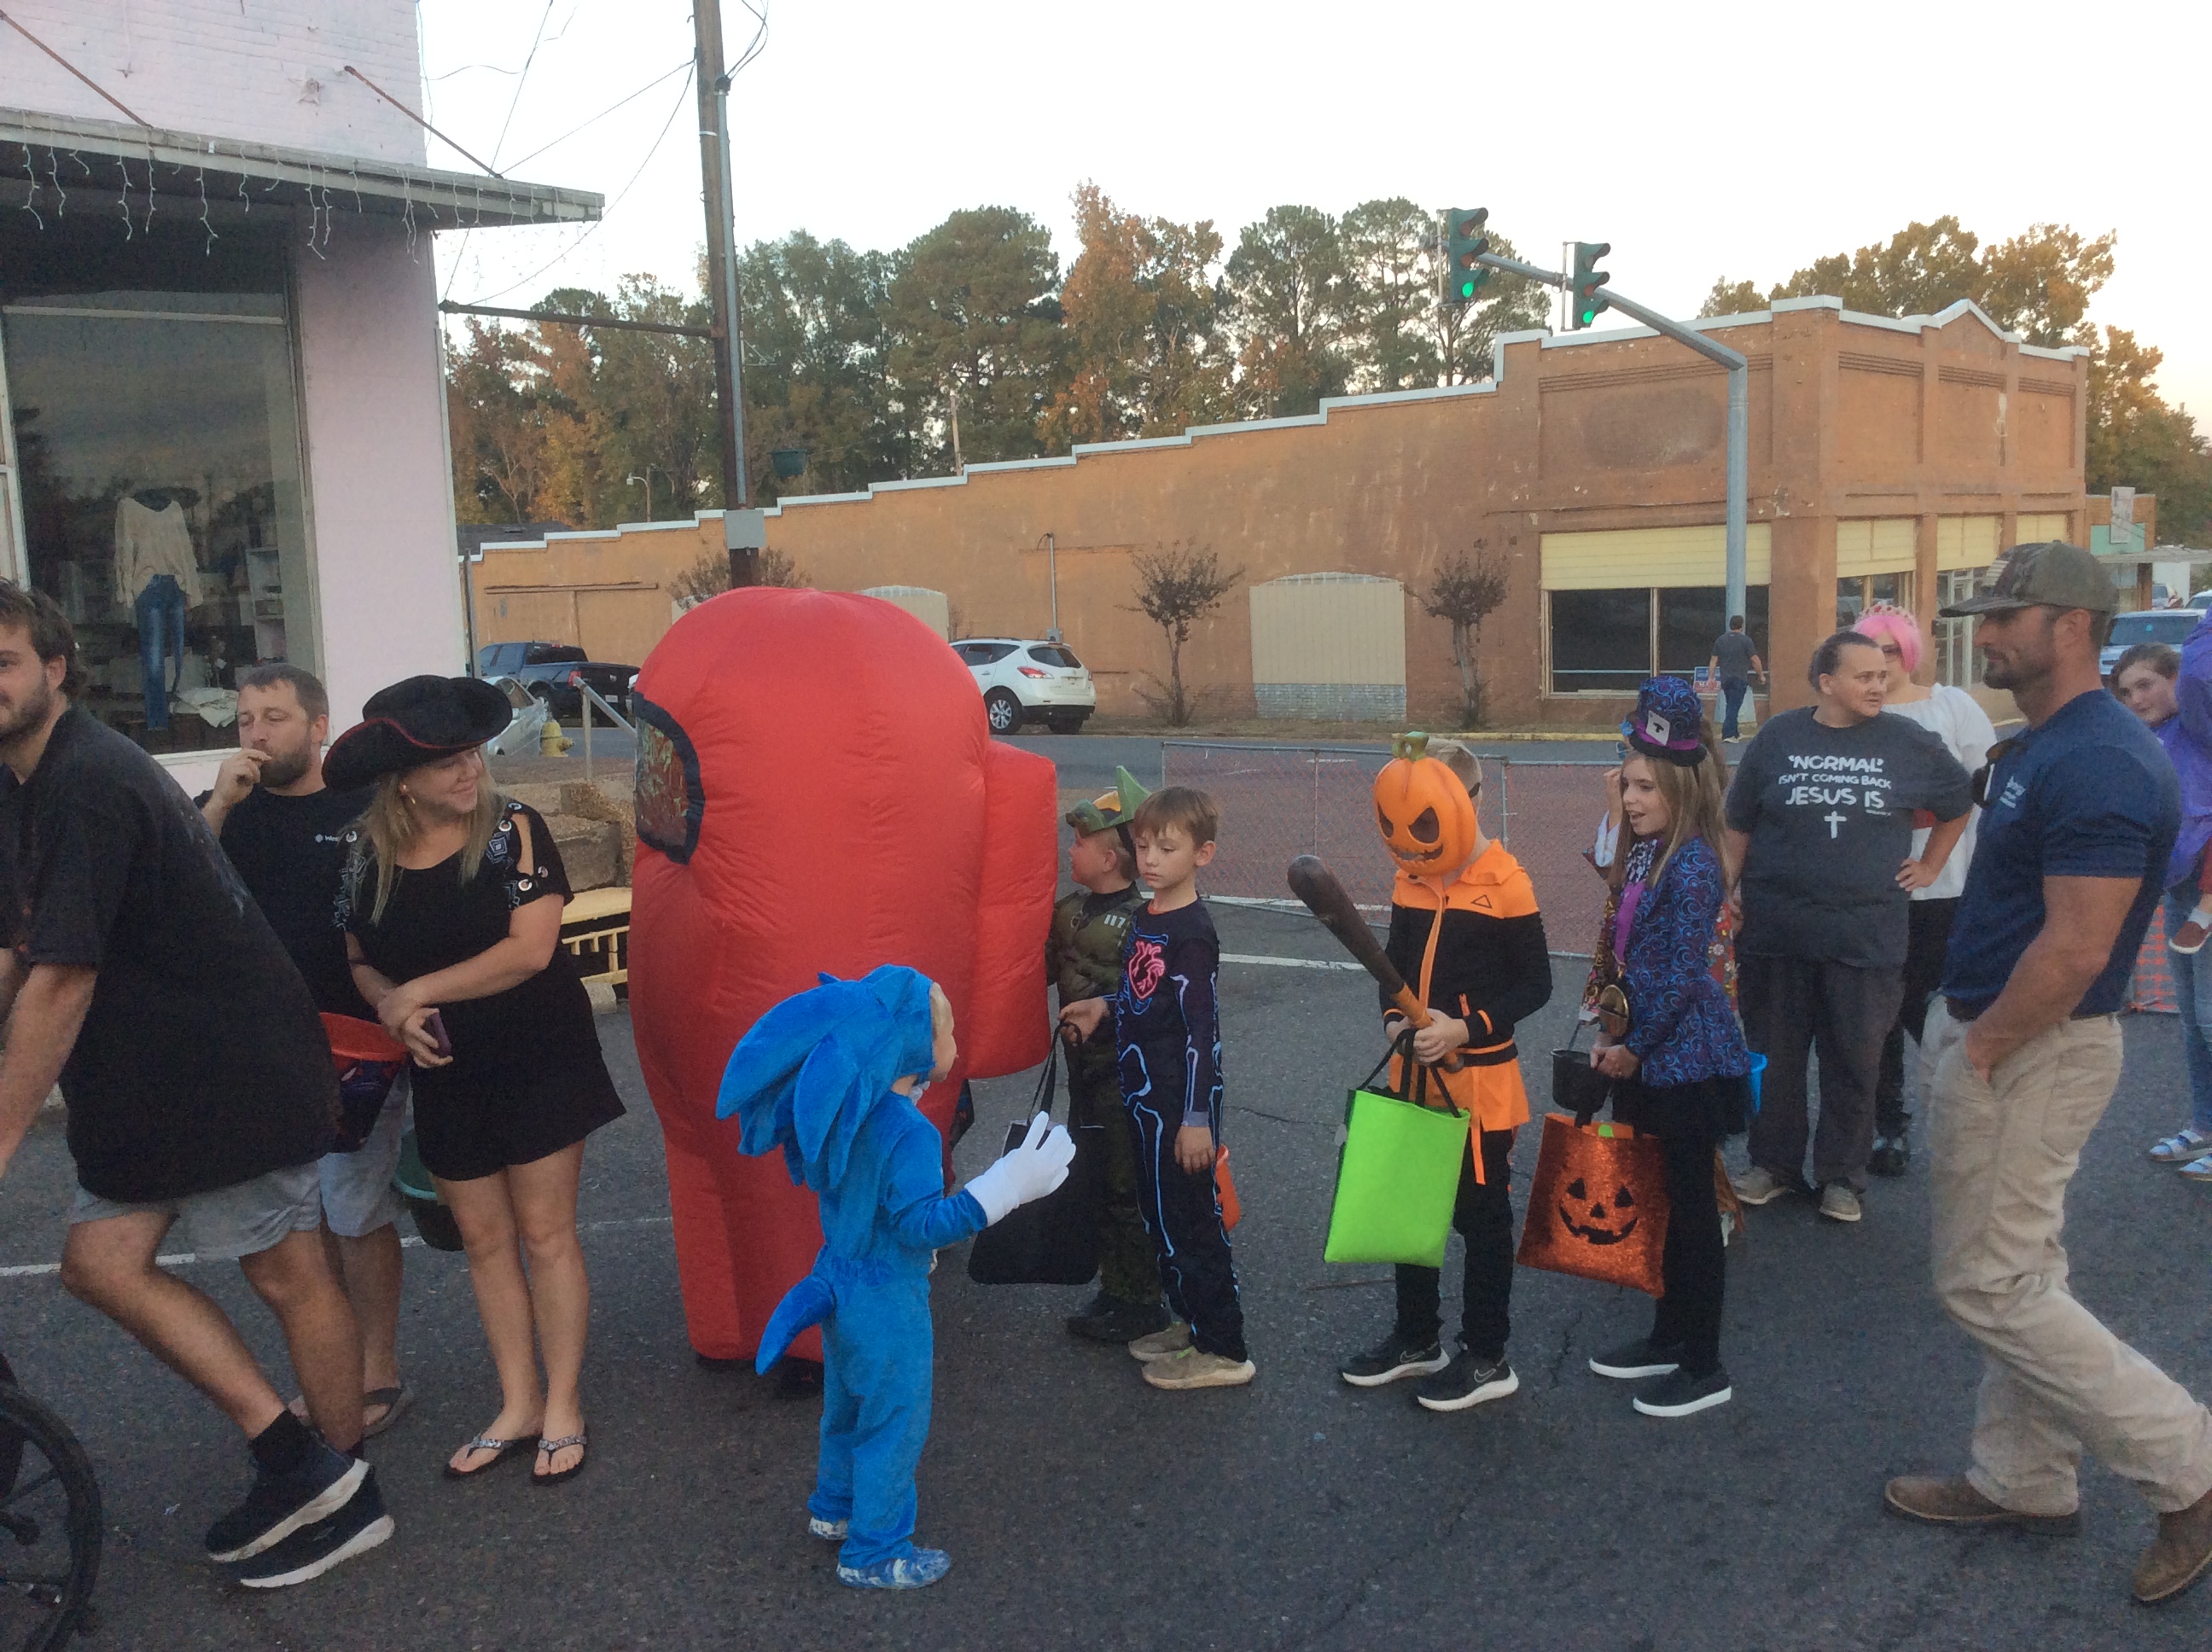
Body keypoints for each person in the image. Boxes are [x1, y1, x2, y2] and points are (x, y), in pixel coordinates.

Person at [0, 584, 390, 1588]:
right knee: (100, 1263)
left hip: (227, 1066)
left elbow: (61, 976)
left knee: (287, 1272)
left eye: (2, 662)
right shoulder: (18, 782)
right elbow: (15, 947)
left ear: (55, 668)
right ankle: (298, 1461)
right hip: (146, 1080)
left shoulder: (86, 779)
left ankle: (344, 1489)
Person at [1883, 541, 2212, 1608]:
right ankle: (2024, 1477)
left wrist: (1979, 1050)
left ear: (2072, 626)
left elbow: (2076, 949)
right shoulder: (2046, 745)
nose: (1982, 634)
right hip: (1999, 1028)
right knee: (2023, 1267)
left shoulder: (2102, 761)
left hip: (2033, 1044)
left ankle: (2190, 1464)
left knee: (1989, 1283)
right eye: (1981, 616)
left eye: (2003, 617)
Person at [326, 675, 626, 1487]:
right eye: (447, 761)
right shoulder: (362, 852)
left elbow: (531, 950)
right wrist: (389, 1005)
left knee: (546, 1234)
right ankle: (518, 1403)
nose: (470, 770)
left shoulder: (513, 829)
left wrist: (415, 992)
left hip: (538, 1053)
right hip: (445, 1067)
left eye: (471, 753)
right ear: (402, 780)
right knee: (485, 1243)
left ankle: (563, 1404)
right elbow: (356, 956)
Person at [719, 969, 1074, 1589]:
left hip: (835, 1282)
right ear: (916, 1045)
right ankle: (876, 1551)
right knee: (894, 1419)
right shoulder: (910, 1133)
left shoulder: (851, 1113)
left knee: (846, 1406)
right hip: (887, 1299)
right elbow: (919, 1226)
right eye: (947, 1030)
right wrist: (1005, 1188)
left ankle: (835, 1508)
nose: (954, 1040)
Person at [200, 665, 411, 1439]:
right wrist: (220, 802)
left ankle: (377, 1371)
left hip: (359, 1040)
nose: (258, 734)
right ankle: (335, 1368)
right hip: (268, 1045)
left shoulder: (363, 805)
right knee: (305, 1215)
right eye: (247, 719)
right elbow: (171, 880)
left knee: (355, 1210)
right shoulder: (232, 809)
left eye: (276, 717)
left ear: (319, 726)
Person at [1725, 629, 1974, 1224]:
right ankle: (1773, 1165)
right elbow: (1739, 821)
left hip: (1866, 937)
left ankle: (1842, 1177)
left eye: (1882, 675)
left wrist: (1931, 865)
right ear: (1827, 682)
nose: (1878, 685)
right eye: (1864, 676)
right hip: (1777, 933)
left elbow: (1959, 800)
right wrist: (1724, 889)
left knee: (1855, 1062)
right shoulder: (1778, 737)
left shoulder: (1907, 741)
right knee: (1774, 1057)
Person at [1338, 738, 1551, 1413]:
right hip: (1414, 1080)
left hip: (1480, 1086)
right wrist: (1393, 1023)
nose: (1412, 841)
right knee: (1412, 1210)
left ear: (1472, 802)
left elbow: (1536, 985)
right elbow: (1392, 967)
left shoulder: (1508, 883)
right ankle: (1417, 1338)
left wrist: (1465, 1028)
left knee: (1480, 1219)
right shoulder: (1410, 879)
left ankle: (1488, 1355)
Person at [1586, 679, 1752, 1418]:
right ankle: (1666, 1335)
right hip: (1649, 1053)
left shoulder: (1692, 865)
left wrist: (1633, 1048)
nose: (1630, 798)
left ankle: (1704, 1364)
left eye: (1646, 787)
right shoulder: (1651, 853)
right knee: (1658, 1206)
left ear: (1682, 786)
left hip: (1685, 1064)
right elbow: (1628, 955)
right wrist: (1610, 1028)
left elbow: (1681, 974)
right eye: (1627, 784)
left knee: (1691, 1215)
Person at [1061, 786, 1251, 1389]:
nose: (1150, 860)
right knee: (1161, 1219)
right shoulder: (1148, 918)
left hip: (1177, 1102)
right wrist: (1106, 1006)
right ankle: (1189, 1321)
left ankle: (1223, 1347)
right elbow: (1148, 998)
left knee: (1193, 1223)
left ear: (1202, 854)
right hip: (1143, 1097)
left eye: (1167, 849)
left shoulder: (1192, 932)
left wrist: (1196, 1119)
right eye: (1143, 847)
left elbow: (1201, 1031)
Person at [1850, 606, 1997, 1177]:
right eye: (1870, 653)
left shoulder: (1951, 706)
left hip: (1947, 890)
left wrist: (1945, 863)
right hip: (1872, 894)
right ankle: (1888, 1127)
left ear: (1908, 652)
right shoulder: (1852, 716)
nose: (1882, 665)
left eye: (1890, 651)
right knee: (1876, 1020)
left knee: (1939, 1013)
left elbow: (1986, 788)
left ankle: (1967, 1122)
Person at [1050, 767, 1166, 1344]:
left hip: (1126, 1075)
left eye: (1080, 844)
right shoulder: (1066, 910)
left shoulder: (1147, 922)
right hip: (1083, 1074)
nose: (1070, 852)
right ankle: (1115, 1287)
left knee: (1127, 1188)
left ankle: (1142, 1300)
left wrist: (1108, 1009)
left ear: (1110, 859)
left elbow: (1156, 998)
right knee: (1095, 1179)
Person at [2117, 637, 2212, 1178]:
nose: (2136, 699)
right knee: (2193, 1022)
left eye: (2147, 684)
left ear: (2177, 681)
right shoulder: (2148, 739)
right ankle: (2204, 1125)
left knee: (2210, 1017)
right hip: (2180, 891)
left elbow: (2200, 671)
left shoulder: (2200, 727)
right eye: (2127, 691)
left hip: (2208, 891)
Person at [1708, 614, 1766, 742]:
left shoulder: (1721, 640)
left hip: (1725, 679)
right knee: (1734, 707)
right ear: (1742, 626)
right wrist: (1761, 675)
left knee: (1731, 705)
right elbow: (1754, 659)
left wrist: (1711, 677)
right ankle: (1728, 734)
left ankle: (1735, 733)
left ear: (1730, 625)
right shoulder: (1746, 641)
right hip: (1739, 678)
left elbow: (1714, 660)